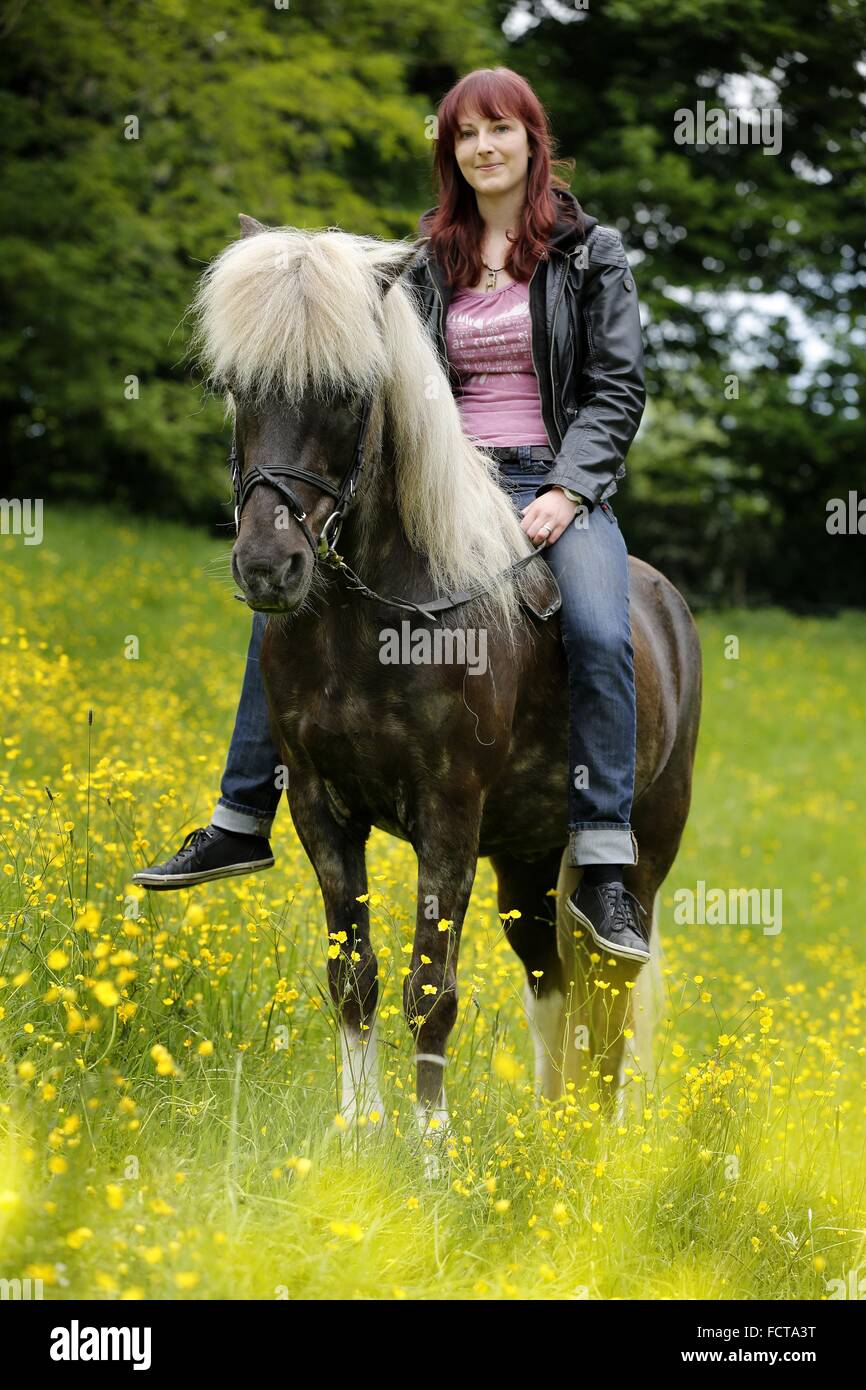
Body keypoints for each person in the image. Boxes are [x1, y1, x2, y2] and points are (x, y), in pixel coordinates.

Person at [134, 66, 649, 963]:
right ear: (450, 151)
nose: (484, 148)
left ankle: (604, 860)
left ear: (533, 142)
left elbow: (616, 389)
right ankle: (240, 814)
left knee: (603, 631)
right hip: (440, 483)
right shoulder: (424, 256)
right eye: (465, 134)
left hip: (552, 484)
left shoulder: (589, 253)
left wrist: (571, 489)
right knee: (289, 600)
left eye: (501, 130)